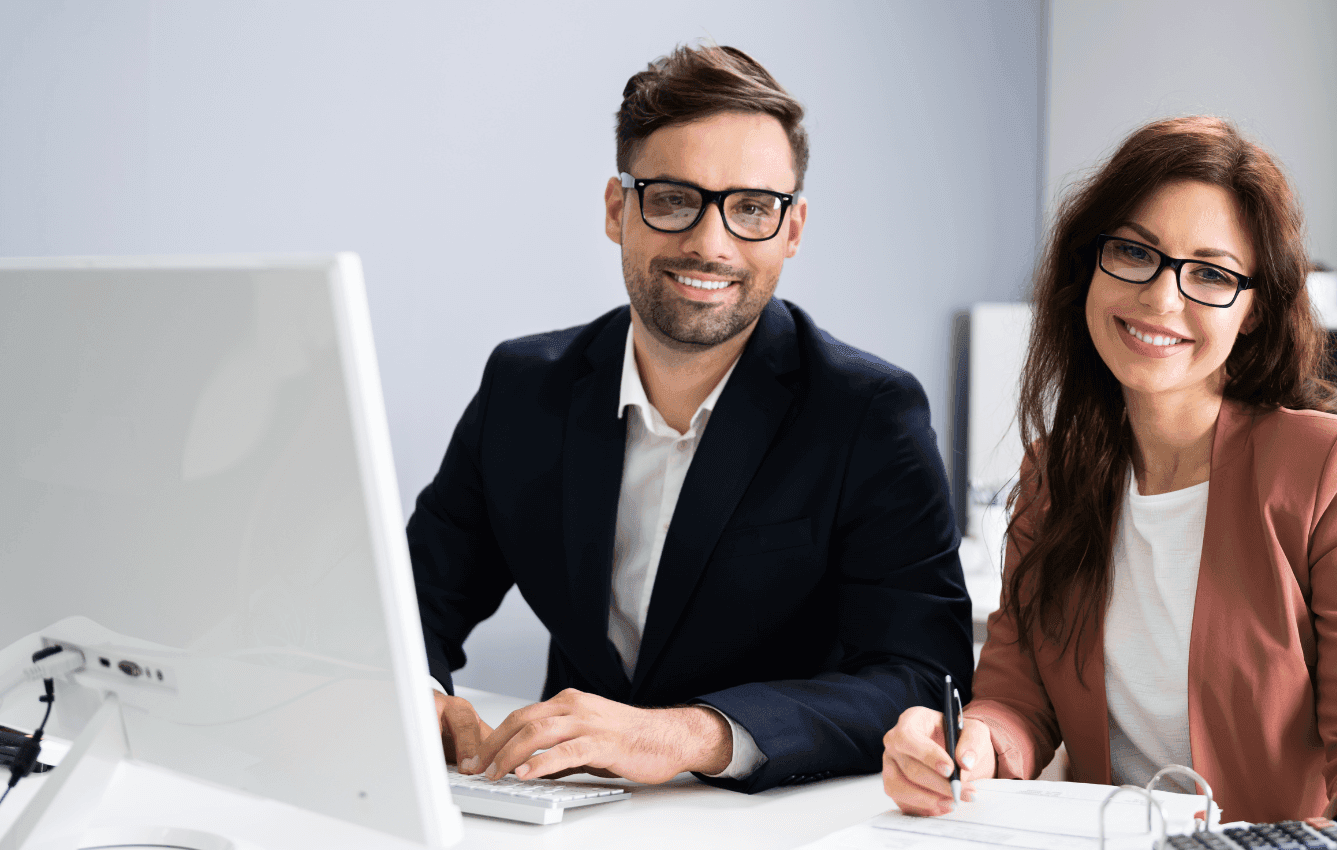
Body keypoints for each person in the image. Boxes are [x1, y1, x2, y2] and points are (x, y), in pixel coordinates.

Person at [409, 43, 973, 794]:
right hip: (564, 813)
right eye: (674, 198)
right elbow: (408, 598)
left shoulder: (868, 414)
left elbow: (922, 676)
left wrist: (690, 733)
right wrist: (419, 696)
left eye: (751, 209)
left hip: (776, 825)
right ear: (618, 210)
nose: (711, 244)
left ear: (793, 229)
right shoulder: (524, 388)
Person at [879, 116, 1337, 846]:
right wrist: (966, 744)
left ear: (1252, 311)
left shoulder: (1333, 467)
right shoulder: (1055, 471)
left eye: (1210, 272)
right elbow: (1017, 699)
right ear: (1090, 266)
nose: (1161, 298)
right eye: (1135, 252)